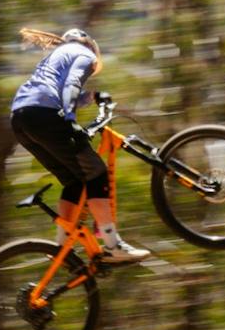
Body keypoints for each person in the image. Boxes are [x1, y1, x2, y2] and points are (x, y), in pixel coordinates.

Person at [10, 26, 148, 263]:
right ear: (89, 43)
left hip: (21, 119)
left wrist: (93, 97)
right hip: (45, 115)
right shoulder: (85, 54)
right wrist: (70, 119)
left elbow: (60, 87)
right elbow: (72, 83)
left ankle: (62, 250)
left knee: (74, 181)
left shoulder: (56, 56)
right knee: (96, 172)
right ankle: (113, 245)